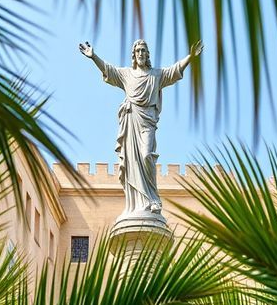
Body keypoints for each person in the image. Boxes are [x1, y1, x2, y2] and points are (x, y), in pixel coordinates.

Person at [79, 38, 203, 217]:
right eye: (138, 51)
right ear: (134, 55)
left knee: (146, 156)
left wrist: (190, 57)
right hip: (131, 119)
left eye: (144, 51)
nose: (141, 54)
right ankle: (137, 204)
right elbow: (109, 70)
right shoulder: (126, 74)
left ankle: (153, 197)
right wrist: (93, 56)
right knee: (132, 162)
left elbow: (175, 70)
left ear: (147, 54)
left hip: (147, 122)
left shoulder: (156, 75)